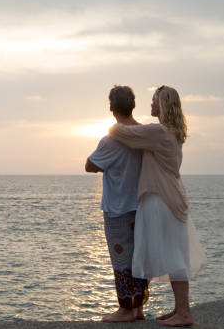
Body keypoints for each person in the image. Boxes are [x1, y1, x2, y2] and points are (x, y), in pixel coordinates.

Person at [109, 85, 206, 327]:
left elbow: (121, 133)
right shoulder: (171, 132)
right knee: (176, 253)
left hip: (161, 198)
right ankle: (180, 309)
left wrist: (115, 124)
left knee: (174, 256)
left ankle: (184, 313)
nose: (150, 105)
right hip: (171, 195)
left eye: (153, 101)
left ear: (162, 104)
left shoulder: (159, 132)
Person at [85, 85, 149, 322]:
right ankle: (138, 307)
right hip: (143, 204)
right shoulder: (145, 134)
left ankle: (125, 309)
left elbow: (90, 165)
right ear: (133, 105)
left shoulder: (110, 140)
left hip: (118, 208)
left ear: (111, 108)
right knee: (140, 255)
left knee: (121, 258)